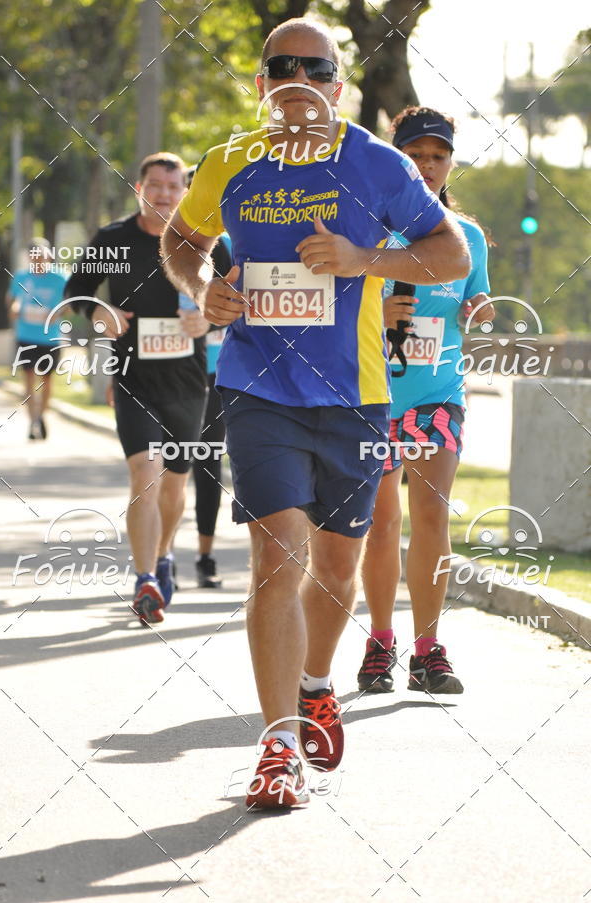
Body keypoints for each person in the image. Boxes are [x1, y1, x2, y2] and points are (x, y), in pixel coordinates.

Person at [162, 20, 470, 809]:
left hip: (358, 399)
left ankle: (315, 683)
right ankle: (277, 748)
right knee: (279, 559)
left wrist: (366, 259)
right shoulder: (230, 159)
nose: (297, 79)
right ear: (262, 83)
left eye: (316, 67)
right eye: (280, 67)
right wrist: (205, 286)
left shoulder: (376, 161)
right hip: (258, 390)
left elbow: (450, 254)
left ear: (336, 84)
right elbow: (181, 239)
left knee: (336, 570)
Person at [358, 107, 495, 696]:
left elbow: (477, 296)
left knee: (433, 518)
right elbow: (334, 311)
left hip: (437, 395)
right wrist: (375, 313)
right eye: (416, 155)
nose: (429, 165)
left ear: (450, 163)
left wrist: (479, 310)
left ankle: (428, 649)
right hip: (373, 398)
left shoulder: (467, 237)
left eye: (438, 156)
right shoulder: (367, 229)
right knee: (382, 524)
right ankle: (380, 642)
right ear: (398, 161)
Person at [65, 153, 209, 625]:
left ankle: (164, 554)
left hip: (189, 382)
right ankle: (145, 577)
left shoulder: (205, 239)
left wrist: (208, 316)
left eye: (173, 187)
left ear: (185, 191)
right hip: (132, 378)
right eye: (155, 185)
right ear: (138, 188)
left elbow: (239, 298)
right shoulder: (114, 239)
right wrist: (97, 311)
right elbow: (76, 292)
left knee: (174, 483)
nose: (164, 195)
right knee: (144, 473)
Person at [186, 166, 232, 589]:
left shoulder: (231, 245)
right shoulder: (165, 246)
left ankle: (204, 555)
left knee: (206, 462)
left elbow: (248, 305)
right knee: (165, 467)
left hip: (218, 373)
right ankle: (159, 557)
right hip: (165, 375)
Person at [7, 239, 67, 440]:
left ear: (49, 256)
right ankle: (32, 421)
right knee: (29, 380)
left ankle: (41, 417)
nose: (38, 261)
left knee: (47, 382)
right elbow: (13, 300)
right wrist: (15, 310)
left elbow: (69, 304)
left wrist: (55, 314)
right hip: (25, 335)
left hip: (50, 338)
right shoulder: (21, 277)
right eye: (34, 257)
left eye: (41, 256)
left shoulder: (60, 277)